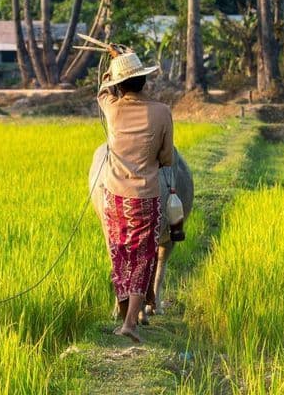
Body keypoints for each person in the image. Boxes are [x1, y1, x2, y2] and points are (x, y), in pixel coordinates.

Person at [95, 46, 174, 344]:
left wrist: (114, 62)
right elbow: (167, 158)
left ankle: (125, 311)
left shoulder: (111, 108)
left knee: (120, 253)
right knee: (143, 257)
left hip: (114, 196)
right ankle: (130, 323)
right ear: (144, 81)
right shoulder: (162, 112)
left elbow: (102, 90)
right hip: (146, 197)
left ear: (117, 84)